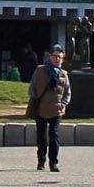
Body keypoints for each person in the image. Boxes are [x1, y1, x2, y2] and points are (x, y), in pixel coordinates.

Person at [26, 43, 73, 172]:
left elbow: (67, 92)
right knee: (41, 137)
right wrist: (35, 99)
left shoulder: (64, 74)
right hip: (41, 109)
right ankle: (41, 161)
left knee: (54, 136)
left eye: (60, 57)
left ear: (62, 60)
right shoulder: (40, 69)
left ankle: (54, 163)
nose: (57, 59)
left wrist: (63, 104)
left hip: (56, 110)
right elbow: (32, 88)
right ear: (50, 57)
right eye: (55, 56)